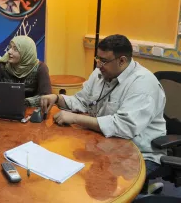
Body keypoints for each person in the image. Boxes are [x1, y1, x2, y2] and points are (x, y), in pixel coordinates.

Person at [40, 34, 166, 176]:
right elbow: (82, 101)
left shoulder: (143, 84)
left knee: (100, 180)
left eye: (104, 61)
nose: (98, 65)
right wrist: (56, 98)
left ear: (122, 61)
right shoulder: (101, 73)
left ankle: (140, 192)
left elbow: (124, 127)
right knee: (65, 163)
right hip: (107, 145)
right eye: (98, 59)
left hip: (140, 154)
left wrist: (75, 118)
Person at [0, 35, 51, 106]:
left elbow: (46, 97)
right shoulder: (1, 65)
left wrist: (22, 102)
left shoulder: (40, 68)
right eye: (10, 47)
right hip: (4, 107)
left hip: (30, 110)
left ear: (26, 53)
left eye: (15, 49)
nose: (9, 51)